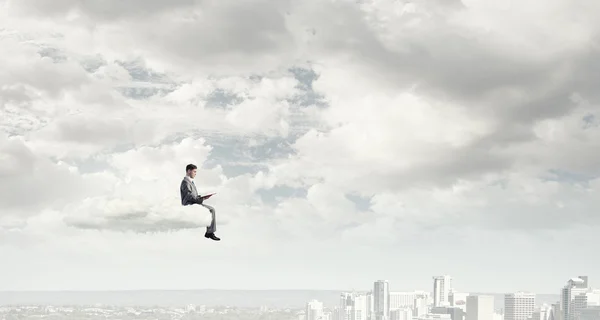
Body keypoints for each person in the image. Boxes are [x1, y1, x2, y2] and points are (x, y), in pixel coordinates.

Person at [180, 163, 220, 241]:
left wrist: (203, 197)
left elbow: (193, 195)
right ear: (188, 171)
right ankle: (209, 233)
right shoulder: (185, 182)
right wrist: (202, 198)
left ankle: (209, 232)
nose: (195, 174)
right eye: (194, 172)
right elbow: (189, 196)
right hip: (189, 204)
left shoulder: (190, 182)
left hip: (193, 202)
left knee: (211, 209)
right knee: (211, 210)